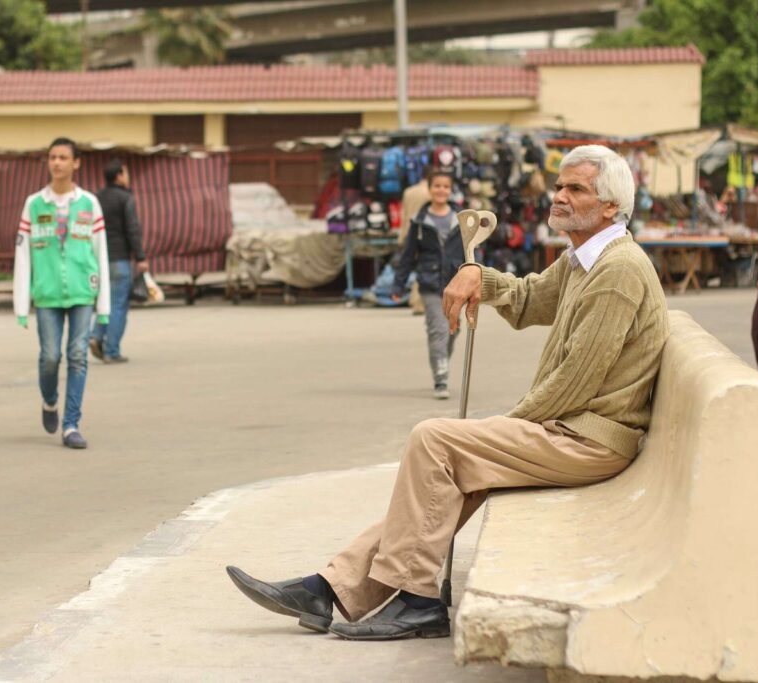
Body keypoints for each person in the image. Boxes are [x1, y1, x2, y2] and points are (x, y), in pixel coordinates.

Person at [226, 145, 669, 642]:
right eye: (560, 186)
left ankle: (415, 601)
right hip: (570, 428)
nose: (559, 196)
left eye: (576, 189)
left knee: (437, 439)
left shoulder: (618, 270)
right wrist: (481, 276)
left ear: (610, 206)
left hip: (590, 440)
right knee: (444, 471)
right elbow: (528, 300)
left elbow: (575, 383)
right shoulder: (582, 260)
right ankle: (329, 589)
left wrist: (507, 423)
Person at [13, 137, 110, 450]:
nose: (57, 163)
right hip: (47, 294)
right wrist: (20, 303)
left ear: (76, 163)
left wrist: (104, 303)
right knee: (50, 357)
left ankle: (71, 425)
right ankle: (50, 399)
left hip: (83, 291)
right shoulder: (34, 204)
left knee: (78, 356)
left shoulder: (89, 204)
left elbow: (101, 253)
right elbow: (23, 255)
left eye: (63, 157)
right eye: (52, 157)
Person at [391, 171, 463, 400]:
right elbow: (408, 255)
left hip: (456, 283)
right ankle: (441, 379)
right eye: (437, 186)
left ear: (450, 190)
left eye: (445, 186)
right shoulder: (420, 222)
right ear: (430, 189)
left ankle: (440, 359)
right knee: (438, 329)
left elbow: (472, 251)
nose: (441, 190)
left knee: (453, 329)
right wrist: (398, 285)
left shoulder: (461, 219)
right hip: (430, 283)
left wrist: (477, 277)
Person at [89, 159, 148, 364]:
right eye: (126, 173)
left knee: (104, 302)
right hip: (119, 259)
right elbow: (133, 229)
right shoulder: (126, 198)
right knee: (118, 305)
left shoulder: (95, 198)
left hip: (98, 259)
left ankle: (96, 336)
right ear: (119, 176)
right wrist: (140, 257)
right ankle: (111, 351)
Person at [399, 176, 431, 316]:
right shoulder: (430, 192)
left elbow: (404, 214)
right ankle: (418, 302)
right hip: (424, 231)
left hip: (409, 230)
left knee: (416, 266)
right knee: (424, 267)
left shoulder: (408, 192)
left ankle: (416, 301)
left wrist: (401, 235)